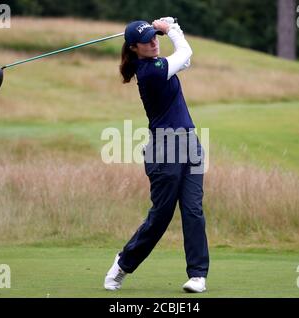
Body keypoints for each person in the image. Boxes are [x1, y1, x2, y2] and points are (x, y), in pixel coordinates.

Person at [104, 18, 209, 293]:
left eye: (155, 37)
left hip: (190, 144)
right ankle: (123, 264)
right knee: (161, 216)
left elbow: (182, 60)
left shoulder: (159, 64)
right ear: (134, 49)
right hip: (165, 150)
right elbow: (185, 55)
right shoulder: (149, 71)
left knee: (193, 210)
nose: (153, 42)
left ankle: (198, 275)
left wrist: (166, 30)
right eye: (147, 40)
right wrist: (172, 29)